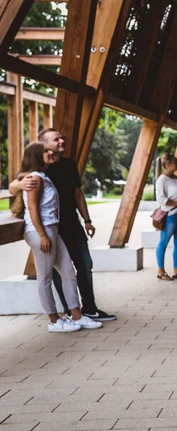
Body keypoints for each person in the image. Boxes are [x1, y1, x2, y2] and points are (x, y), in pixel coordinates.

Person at [9, 128, 117, 321]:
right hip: (49, 228)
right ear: (44, 145)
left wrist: (87, 220)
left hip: (71, 225)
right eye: (55, 139)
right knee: (56, 273)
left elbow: (77, 193)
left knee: (83, 265)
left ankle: (88, 309)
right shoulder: (38, 169)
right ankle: (66, 313)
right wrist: (19, 185)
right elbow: (16, 186)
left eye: (61, 138)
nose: (61, 141)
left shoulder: (67, 164)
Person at [18, 142, 103, 333]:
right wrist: (42, 235)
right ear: (37, 156)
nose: (51, 152)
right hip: (42, 232)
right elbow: (32, 209)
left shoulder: (43, 176)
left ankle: (77, 316)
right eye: (46, 151)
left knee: (68, 273)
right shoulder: (35, 179)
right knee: (45, 278)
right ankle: (54, 321)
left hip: (52, 231)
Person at [154, 154, 177, 281]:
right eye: (176, 163)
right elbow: (161, 199)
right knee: (163, 242)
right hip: (170, 216)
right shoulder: (162, 180)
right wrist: (176, 203)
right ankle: (161, 271)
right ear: (168, 165)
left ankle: (176, 271)